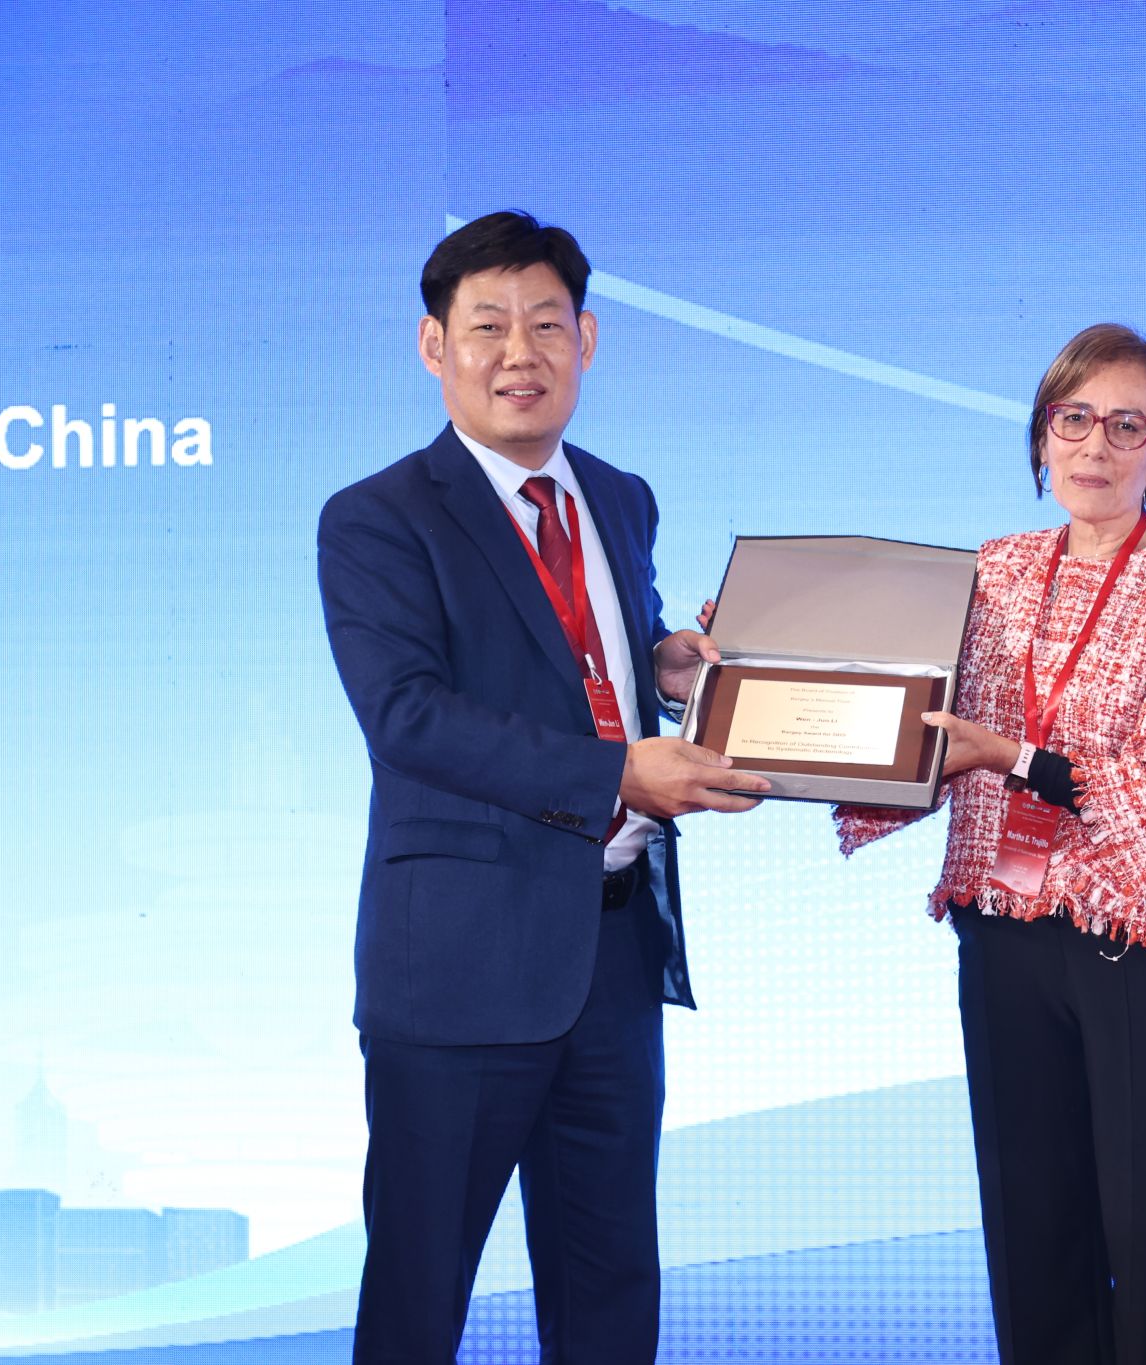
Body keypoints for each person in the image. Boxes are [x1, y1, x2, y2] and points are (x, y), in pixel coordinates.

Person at [317, 211, 769, 1364]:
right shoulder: (376, 519)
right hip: (458, 969)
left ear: (587, 339)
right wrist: (619, 770)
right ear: (435, 346)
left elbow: (581, 654)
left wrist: (666, 668)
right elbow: (408, 717)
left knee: (608, 1290)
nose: (519, 353)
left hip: (613, 955)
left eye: (546, 325)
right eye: (487, 327)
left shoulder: (617, 496)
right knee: (420, 1298)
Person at [836, 323, 1146, 1364]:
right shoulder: (994, 570)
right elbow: (911, 721)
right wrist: (756, 675)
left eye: (1126, 425)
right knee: (1032, 1236)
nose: (1094, 445)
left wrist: (1014, 757)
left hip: (1132, 945)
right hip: (1001, 938)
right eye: (1073, 419)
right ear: (1040, 438)